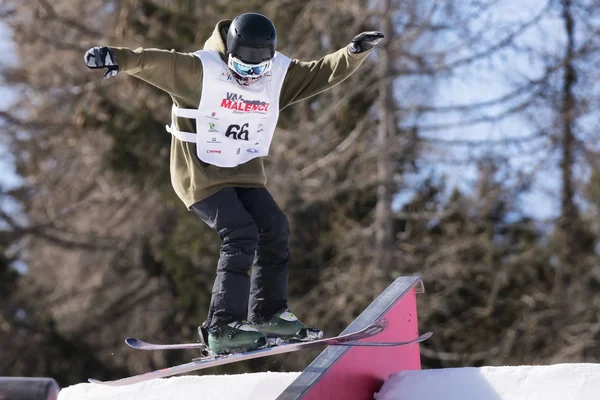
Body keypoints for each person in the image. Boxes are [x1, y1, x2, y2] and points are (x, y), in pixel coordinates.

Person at [84, 12, 383, 354]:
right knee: (240, 232)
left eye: (260, 68)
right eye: (243, 67)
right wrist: (118, 58)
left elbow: (319, 73)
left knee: (275, 228)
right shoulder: (201, 72)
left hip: (244, 172)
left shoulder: (276, 77)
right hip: (201, 176)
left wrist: (353, 53)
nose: (251, 76)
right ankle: (222, 326)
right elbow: (154, 62)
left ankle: (269, 314)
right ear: (229, 55)